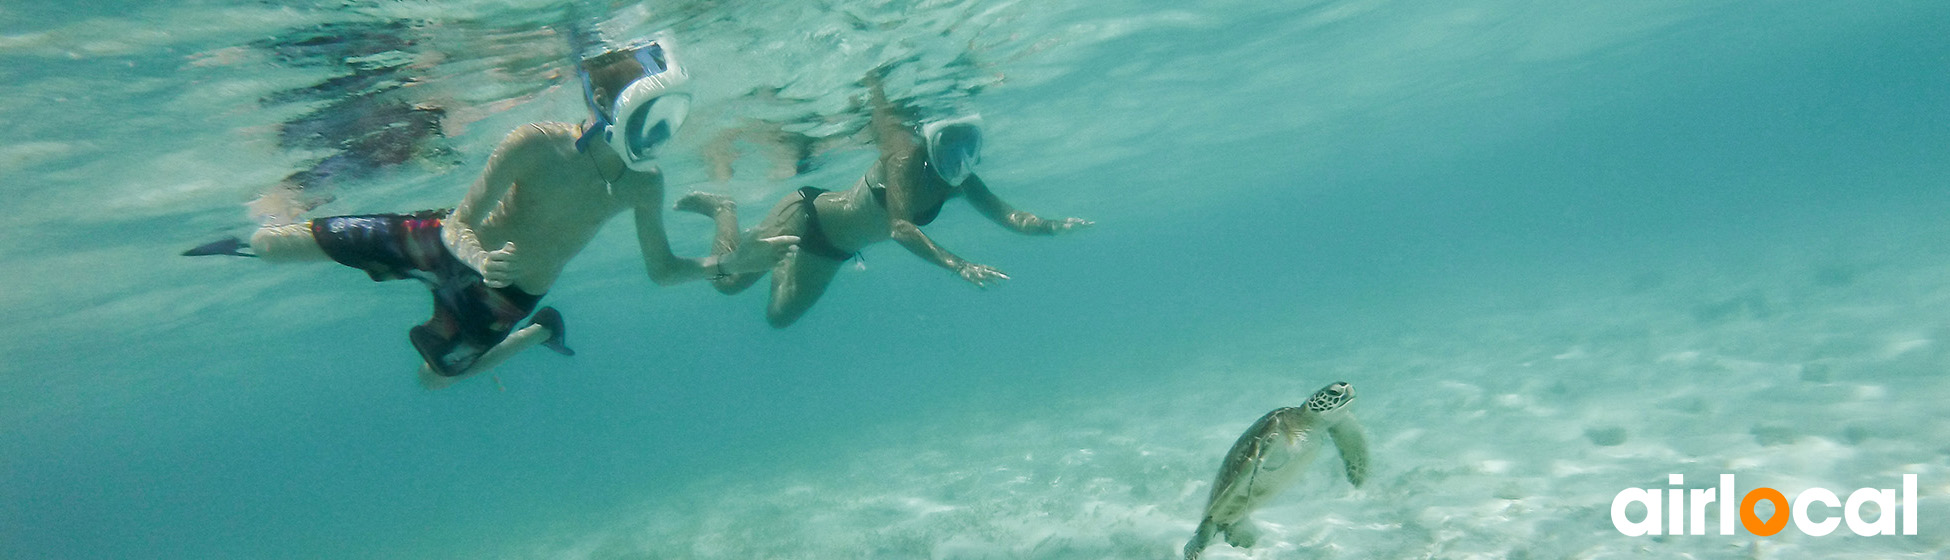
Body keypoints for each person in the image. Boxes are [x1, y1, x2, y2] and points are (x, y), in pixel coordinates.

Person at [187, 40, 797, 386]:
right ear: (611, 106)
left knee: (435, 381)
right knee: (275, 245)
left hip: (511, 297)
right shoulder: (535, 142)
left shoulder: (645, 185)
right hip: (446, 243)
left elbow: (662, 270)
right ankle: (236, 244)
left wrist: (725, 260)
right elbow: (459, 221)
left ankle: (541, 331)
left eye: (671, 122)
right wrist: (479, 255)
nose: (661, 138)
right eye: (652, 121)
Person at [674, 69, 1090, 328]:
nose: (959, 158)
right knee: (727, 286)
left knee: (778, 319)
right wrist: (958, 265)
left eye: (969, 146)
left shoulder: (960, 178)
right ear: (930, 139)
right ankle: (722, 210)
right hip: (805, 217)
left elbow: (1006, 214)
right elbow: (900, 227)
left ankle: (783, 255)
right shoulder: (905, 157)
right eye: (950, 144)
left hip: (834, 249)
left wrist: (1052, 228)